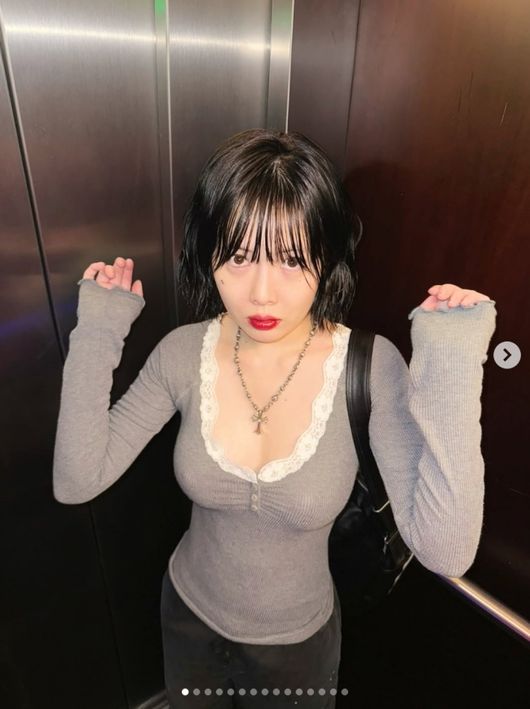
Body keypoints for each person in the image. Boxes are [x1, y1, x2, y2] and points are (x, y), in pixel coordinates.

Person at [53, 129, 497, 708]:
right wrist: (99, 329)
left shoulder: (369, 366)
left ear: (327, 255)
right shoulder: (183, 353)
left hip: (299, 648)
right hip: (188, 619)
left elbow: (445, 550)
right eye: (238, 257)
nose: (261, 293)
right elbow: (77, 480)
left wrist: (451, 361)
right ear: (208, 253)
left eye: (291, 260)